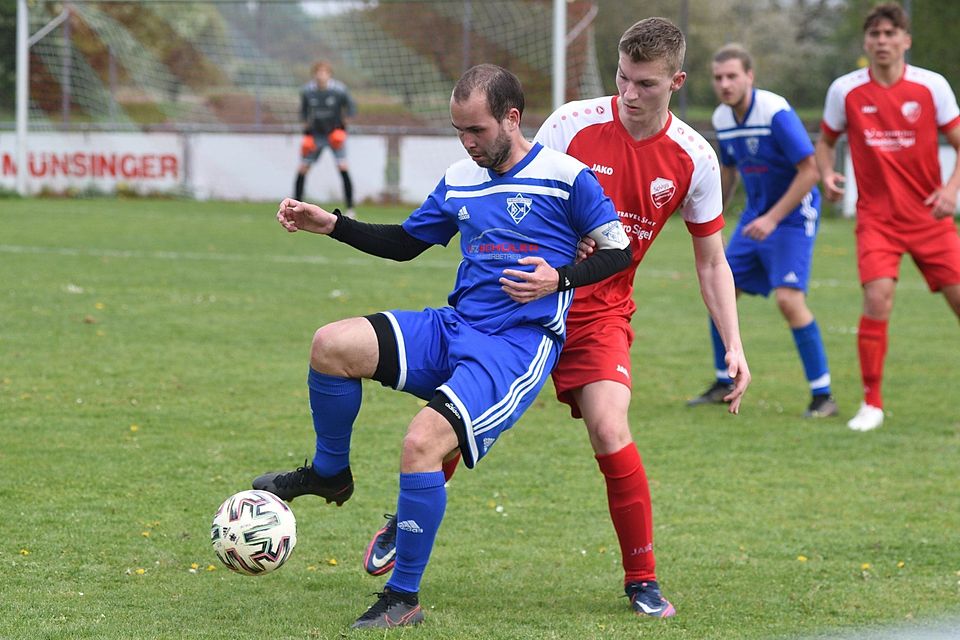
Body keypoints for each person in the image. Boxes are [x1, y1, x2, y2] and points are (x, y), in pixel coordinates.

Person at [361, 18, 751, 619]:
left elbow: (711, 260)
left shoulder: (695, 157)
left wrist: (733, 344)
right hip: (523, 306)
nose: (629, 93)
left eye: (646, 84)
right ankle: (409, 515)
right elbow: (518, 187)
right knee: (457, 417)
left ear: (676, 82)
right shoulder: (572, 123)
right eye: (622, 77)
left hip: (599, 315)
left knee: (610, 430)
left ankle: (642, 580)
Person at [253, 64, 633, 629]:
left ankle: (402, 597)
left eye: (477, 130)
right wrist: (331, 224)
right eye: (459, 131)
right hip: (455, 326)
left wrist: (559, 279)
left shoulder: (566, 177)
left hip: (515, 346)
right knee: (331, 345)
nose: (468, 142)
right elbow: (406, 243)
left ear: (512, 118)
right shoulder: (460, 178)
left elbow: (619, 251)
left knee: (421, 444)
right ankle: (330, 473)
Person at [814, 2, 960, 432]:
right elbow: (825, 142)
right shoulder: (845, 90)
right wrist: (827, 173)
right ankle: (871, 403)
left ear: (905, 41)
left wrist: (951, 190)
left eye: (890, 34)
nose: (882, 41)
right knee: (877, 298)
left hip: (929, 218)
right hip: (877, 220)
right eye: (875, 34)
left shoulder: (931, 86)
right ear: (866, 42)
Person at [686, 44, 837, 418]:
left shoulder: (774, 111)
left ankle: (823, 396)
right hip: (756, 216)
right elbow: (729, 171)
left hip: (793, 216)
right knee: (720, 291)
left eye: (732, 76)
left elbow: (810, 171)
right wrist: (713, 220)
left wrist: (772, 219)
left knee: (789, 301)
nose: (725, 84)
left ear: (749, 77)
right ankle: (724, 380)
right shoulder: (722, 117)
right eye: (718, 77)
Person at [295, 60, 358, 218]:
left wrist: (343, 128)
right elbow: (303, 113)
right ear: (314, 74)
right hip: (316, 135)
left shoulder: (339, 90)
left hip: (334, 135)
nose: (321, 76)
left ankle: (350, 208)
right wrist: (307, 133)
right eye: (318, 72)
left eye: (324, 72)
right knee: (303, 167)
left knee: (342, 166)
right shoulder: (307, 91)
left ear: (329, 74)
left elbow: (351, 108)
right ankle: (295, 207)